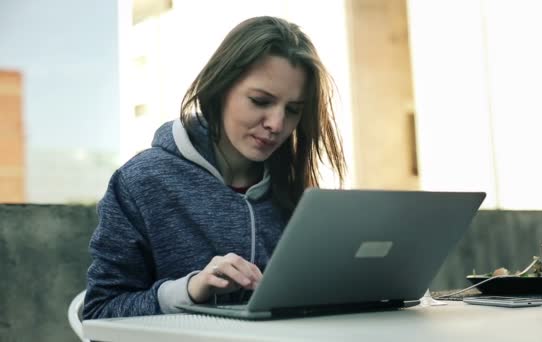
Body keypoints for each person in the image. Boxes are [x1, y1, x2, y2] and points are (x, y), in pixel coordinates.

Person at [83, 16, 346, 319]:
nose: (276, 124)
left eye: (292, 110)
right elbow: (99, 313)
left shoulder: (295, 192)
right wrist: (188, 290)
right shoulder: (141, 182)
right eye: (260, 101)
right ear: (220, 89)